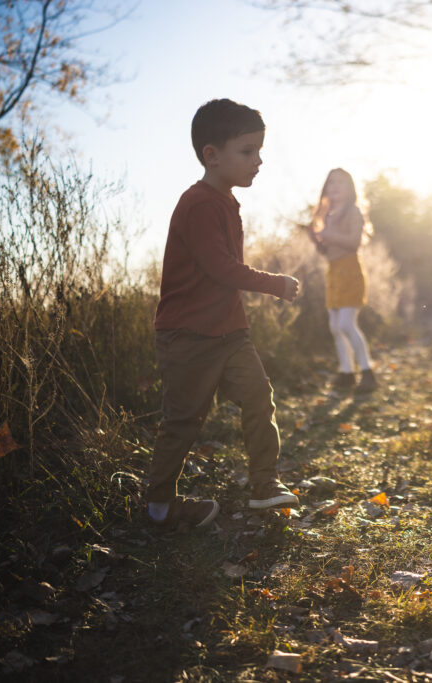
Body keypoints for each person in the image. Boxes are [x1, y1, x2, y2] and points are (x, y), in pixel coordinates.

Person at [147, 98, 302, 529]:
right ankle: (159, 505)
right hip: (188, 335)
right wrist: (273, 283)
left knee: (258, 395)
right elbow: (219, 267)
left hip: (230, 332)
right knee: (183, 420)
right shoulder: (198, 203)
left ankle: (264, 485)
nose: (259, 161)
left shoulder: (226, 201)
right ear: (211, 156)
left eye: (260, 151)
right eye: (248, 151)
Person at [304, 168, 378, 396]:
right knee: (335, 327)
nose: (334, 187)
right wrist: (315, 239)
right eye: (330, 183)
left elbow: (354, 243)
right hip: (334, 272)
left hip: (350, 271)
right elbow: (327, 253)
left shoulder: (353, 212)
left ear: (350, 189)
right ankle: (347, 373)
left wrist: (327, 235)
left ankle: (367, 372)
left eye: (340, 183)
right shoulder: (328, 215)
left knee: (347, 323)